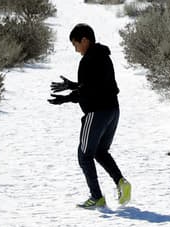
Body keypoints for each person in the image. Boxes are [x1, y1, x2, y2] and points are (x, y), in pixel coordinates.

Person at [49, 23, 131, 209]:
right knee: (100, 151)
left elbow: (88, 91)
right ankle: (121, 183)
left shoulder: (87, 60)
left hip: (96, 113)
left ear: (84, 40)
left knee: (84, 156)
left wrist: (65, 99)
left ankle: (97, 197)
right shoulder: (103, 56)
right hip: (113, 111)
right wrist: (72, 85)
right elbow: (96, 85)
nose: (76, 49)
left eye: (75, 44)